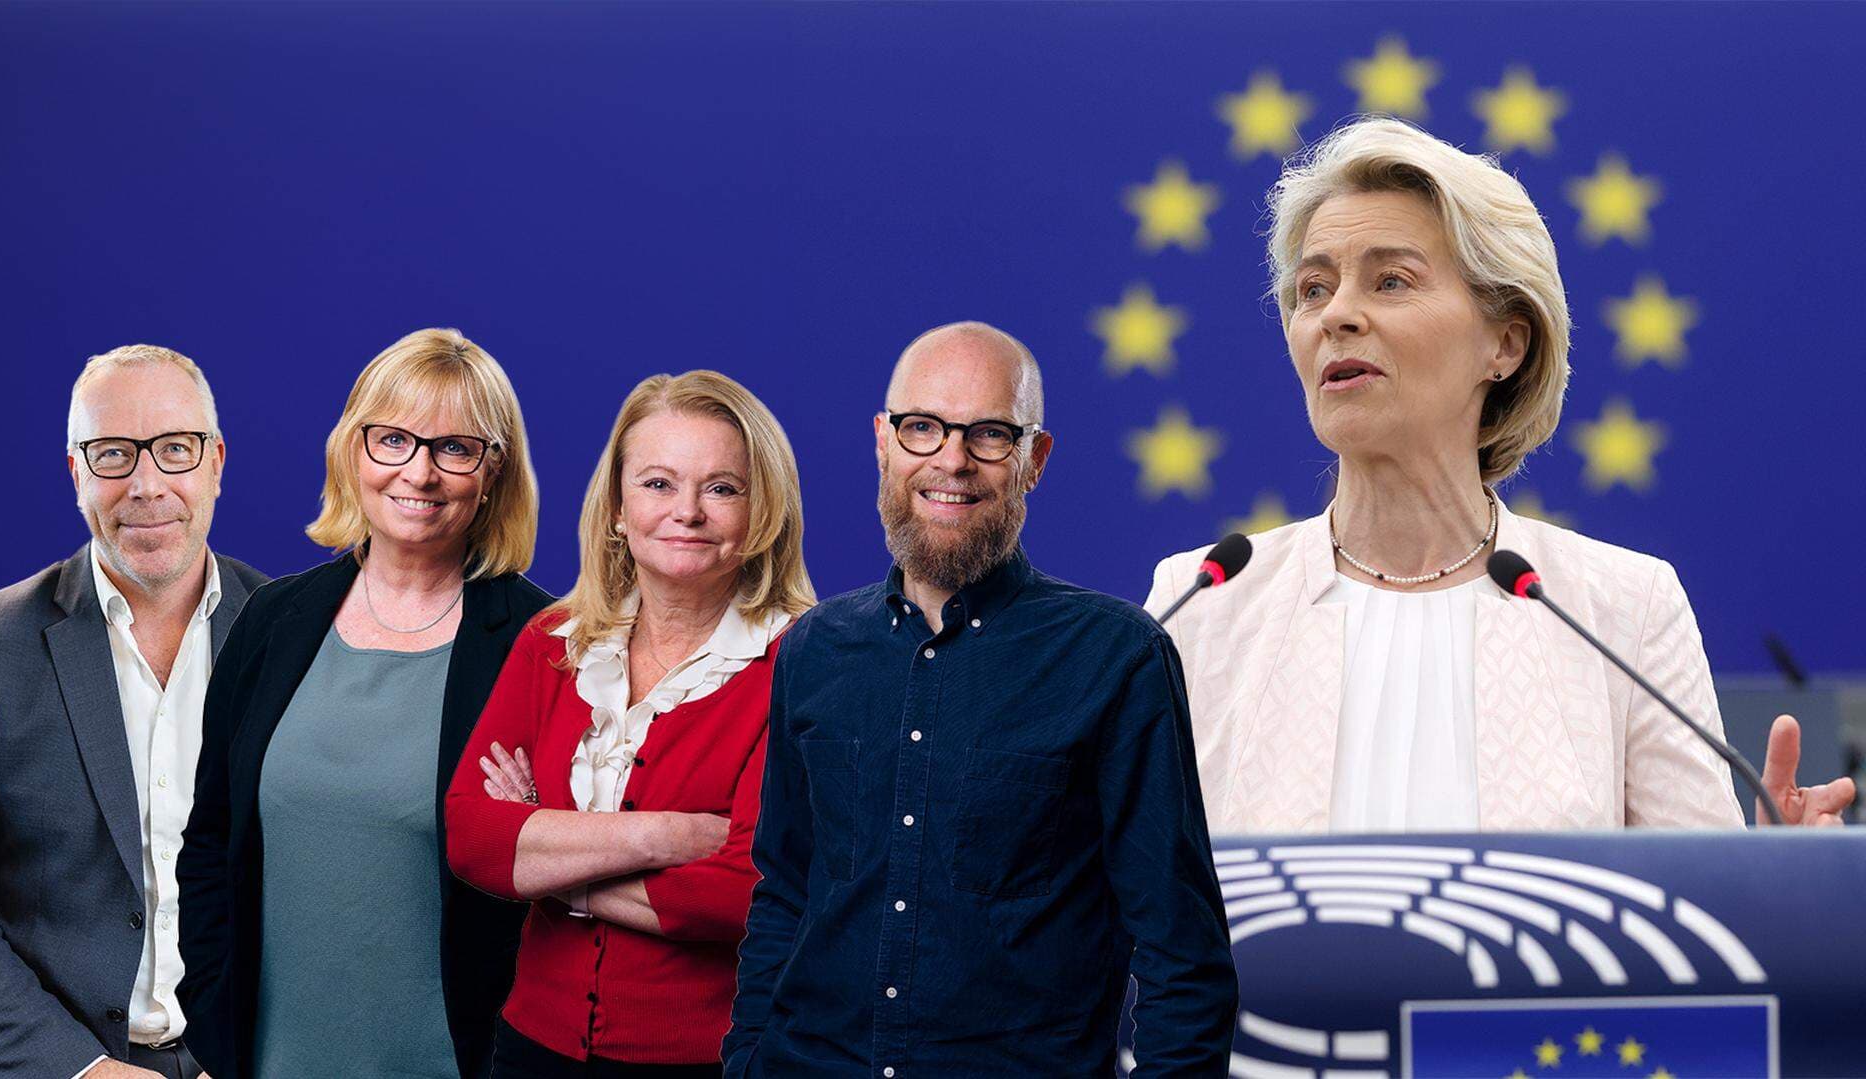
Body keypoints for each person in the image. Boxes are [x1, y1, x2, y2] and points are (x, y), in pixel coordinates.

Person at [1148, 117, 1855, 834]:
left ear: (1506, 344)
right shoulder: (1202, 602)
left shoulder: (1622, 609)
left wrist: (1766, 875)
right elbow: (1123, 882)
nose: (1336, 315)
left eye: (1390, 280)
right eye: (1312, 289)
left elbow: (1691, 894)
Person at [724, 322, 1236, 1077]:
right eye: (922, 427)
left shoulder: (1117, 657)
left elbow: (1182, 957)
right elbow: (784, 896)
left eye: (990, 434)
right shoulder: (814, 648)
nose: (952, 460)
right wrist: (746, 1060)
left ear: (1035, 459)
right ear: (884, 442)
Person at [175, 329, 551, 1079]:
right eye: (394, 440)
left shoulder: (544, 644)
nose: (420, 471)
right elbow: (211, 841)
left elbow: (567, 885)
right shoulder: (273, 621)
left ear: (493, 473)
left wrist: (538, 826)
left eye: (455, 448)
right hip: (272, 1061)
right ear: (354, 450)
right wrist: (213, 1024)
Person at [445, 371, 814, 1077]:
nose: (687, 512)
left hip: (707, 1058)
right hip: (530, 1046)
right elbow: (472, 837)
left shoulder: (801, 664)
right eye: (657, 484)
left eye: (722, 488)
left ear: (762, 510)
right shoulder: (552, 642)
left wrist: (546, 852)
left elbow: (748, 889)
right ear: (618, 508)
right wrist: (666, 835)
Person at [0, 346, 267, 1079]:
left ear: (216, 463)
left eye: (176, 449)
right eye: (114, 454)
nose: (147, 485)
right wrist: (81, 1069)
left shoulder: (289, 633)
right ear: (76, 473)